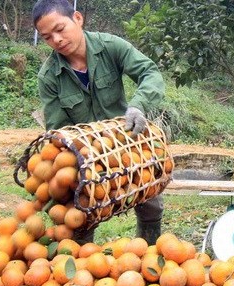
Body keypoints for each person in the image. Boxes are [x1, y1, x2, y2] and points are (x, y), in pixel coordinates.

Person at [32, 0, 166, 245]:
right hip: (85, 156)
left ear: (78, 19)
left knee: (150, 201)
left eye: (60, 29)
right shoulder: (49, 75)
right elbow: (59, 130)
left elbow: (150, 72)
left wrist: (138, 105)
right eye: (47, 37)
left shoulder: (110, 46)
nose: (57, 40)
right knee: (79, 216)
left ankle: (149, 252)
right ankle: (81, 265)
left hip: (126, 143)